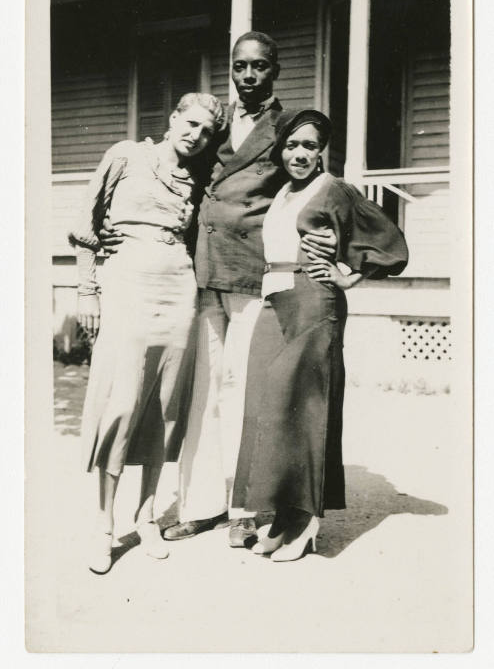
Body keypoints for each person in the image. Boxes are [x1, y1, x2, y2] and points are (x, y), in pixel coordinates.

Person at [101, 32, 337, 548]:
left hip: (255, 274)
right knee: (202, 394)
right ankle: (201, 504)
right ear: (231, 71)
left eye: (259, 67)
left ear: (274, 71)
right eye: (240, 67)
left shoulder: (287, 124)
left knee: (242, 390)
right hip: (203, 271)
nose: (248, 77)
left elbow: (314, 181)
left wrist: (324, 236)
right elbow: (177, 168)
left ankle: (247, 509)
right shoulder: (220, 121)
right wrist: (122, 223)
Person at [231, 109, 409, 561]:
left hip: (315, 301)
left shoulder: (334, 189)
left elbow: (391, 245)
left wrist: (348, 274)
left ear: (321, 150)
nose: (299, 154)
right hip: (275, 300)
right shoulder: (284, 193)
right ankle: (276, 516)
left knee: (307, 412)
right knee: (267, 407)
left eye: (309, 146)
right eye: (292, 145)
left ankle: (305, 524)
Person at [70, 92, 225, 574]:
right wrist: (86, 289)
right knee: (122, 401)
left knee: (164, 405)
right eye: (190, 123)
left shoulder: (197, 180)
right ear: (173, 117)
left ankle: (147, 516)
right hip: (126, 284)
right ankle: (104, 525)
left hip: (178, 290)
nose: (195, 135)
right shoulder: (126, 155)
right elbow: (83, 223)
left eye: (205, 131)